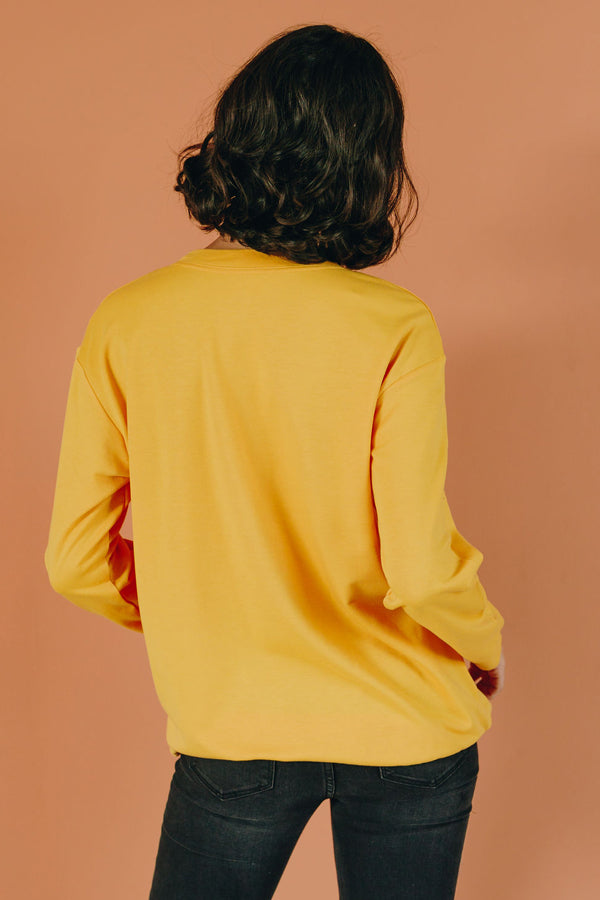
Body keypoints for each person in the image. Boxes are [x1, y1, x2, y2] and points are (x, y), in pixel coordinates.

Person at [43, 22, 505, 900]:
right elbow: (420, 566)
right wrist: (483, 641)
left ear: (234, 141)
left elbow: (75, 562)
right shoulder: (395, 325)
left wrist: (209, 614)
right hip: (409, 725)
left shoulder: (128, 320)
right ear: (369, 165)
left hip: (234, 722)